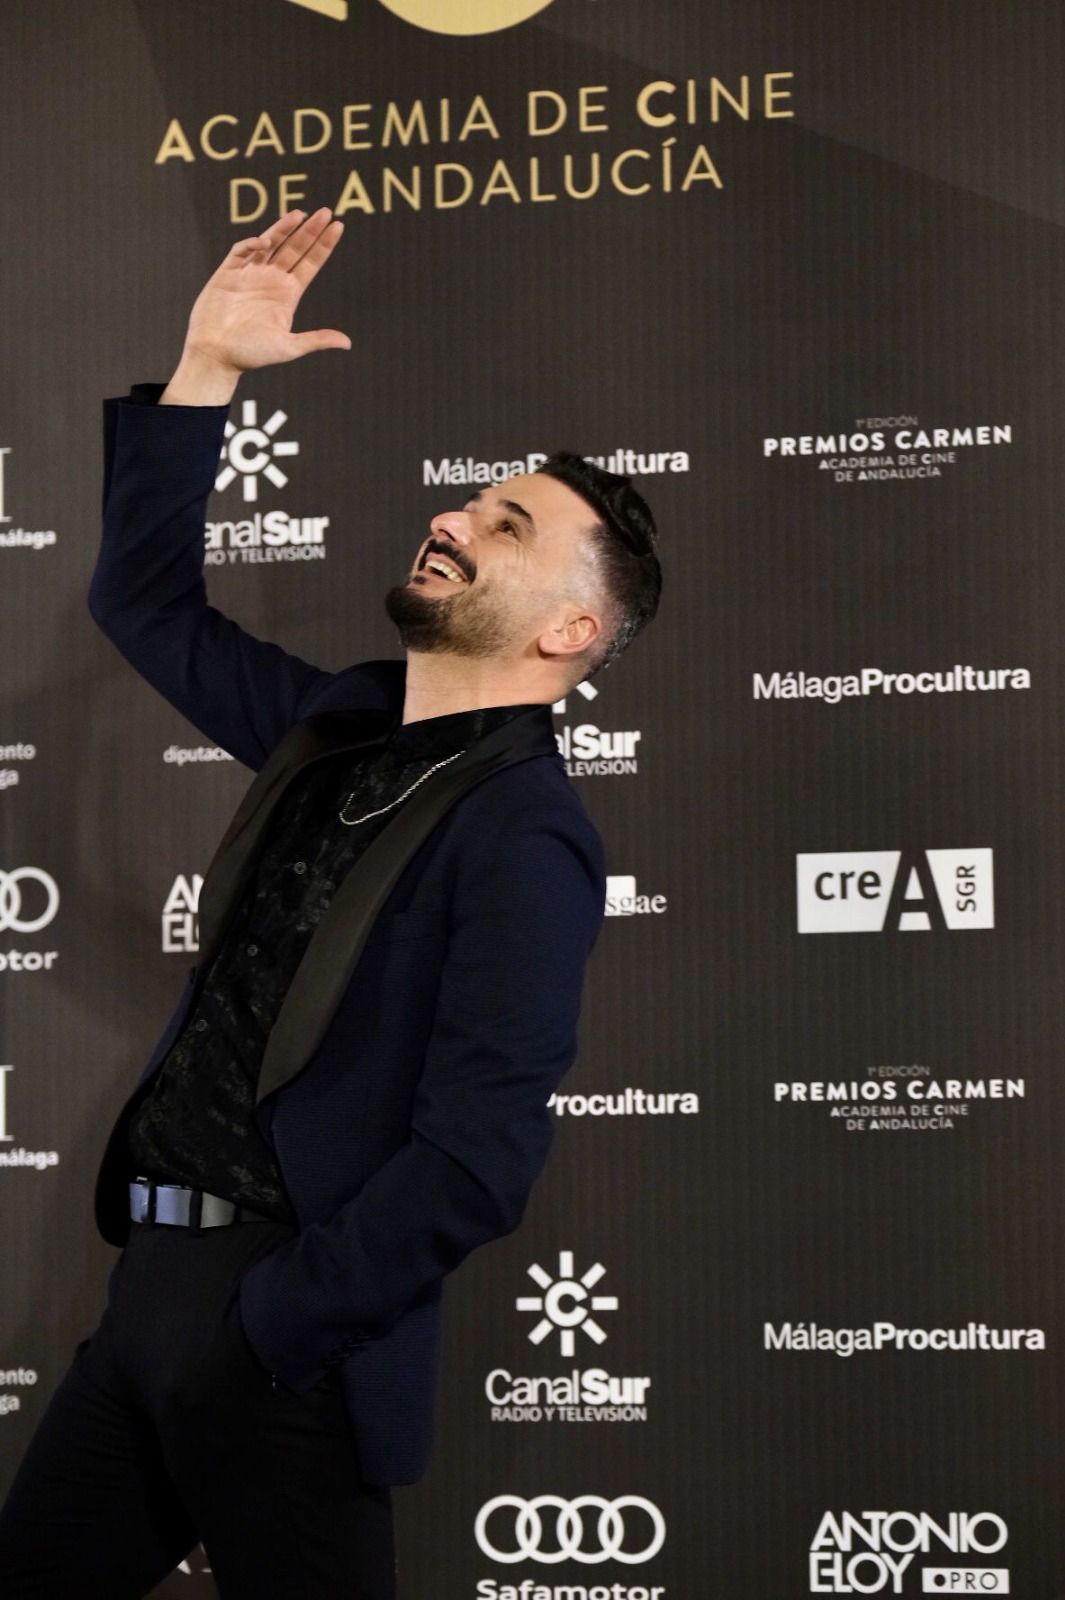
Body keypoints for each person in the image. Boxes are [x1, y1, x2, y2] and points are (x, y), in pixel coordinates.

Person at [0, 207, 662, 1599]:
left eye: (506, 521)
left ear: (569, 633)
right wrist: (206, 374)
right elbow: (144, 603)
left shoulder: (525, 832)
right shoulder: (336, 725)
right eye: (469, 499)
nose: (454, 515)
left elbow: (477, 1157)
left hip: (286, 1345)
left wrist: (275, 1328)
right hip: (145, 1306)